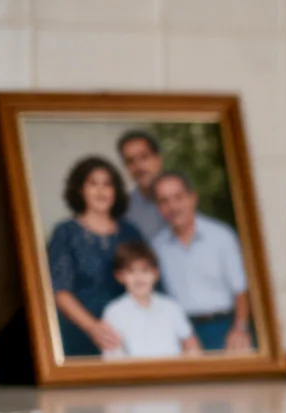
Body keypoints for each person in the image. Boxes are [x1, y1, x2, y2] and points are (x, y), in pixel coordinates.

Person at [45, 156, 145, 358]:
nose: (101, 191)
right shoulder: (65, 233)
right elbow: (58, 290)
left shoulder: (130, 232)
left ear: (115, 191)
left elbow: (150, 280)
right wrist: (93, 328)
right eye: (93, 184)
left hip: (129, 332)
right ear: (81, 190)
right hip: (79, 334)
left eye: (107, 185)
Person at [149, 171, 254, 354]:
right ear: (158, 208)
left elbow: (241, 289)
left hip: (224, 328)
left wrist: (240, 329)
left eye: (178, 197)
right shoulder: (156, 247)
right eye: (164, 201)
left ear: (193, 198)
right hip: (180, 333)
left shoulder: (222, 236)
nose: (172, 206)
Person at [99, 241, 199, 359]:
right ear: (120, 276)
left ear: (156, 274)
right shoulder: (113, 312)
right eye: (131, 272)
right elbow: (112, 356)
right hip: (133, 374)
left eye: (145, 271)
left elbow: (191, 346)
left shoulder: (171, 307)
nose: (139, 278)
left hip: (172, 374)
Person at [117, 130, 168, 240]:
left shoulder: (185, 197)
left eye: (144, 157)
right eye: (130, 161)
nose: (138, 166)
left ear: (159, 159)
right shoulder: (123, 210)